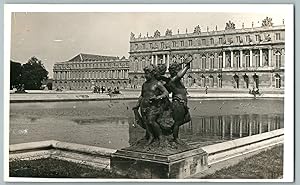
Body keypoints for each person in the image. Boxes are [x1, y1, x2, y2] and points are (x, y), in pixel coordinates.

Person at [133, 64, 169, 145]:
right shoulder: (144, 84)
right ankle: (151, 137)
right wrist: (137, 105)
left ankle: (160, 137)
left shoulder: (157, 84)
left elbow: (166, 93)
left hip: (153, 106)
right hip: (144, 106)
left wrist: (158, 97)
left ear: (152, 74)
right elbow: (142, 95)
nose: (145, 75)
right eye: (145, 73)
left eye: (147, 73)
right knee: (146, 122)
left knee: (151, 121)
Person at [167, 55, 192, 144]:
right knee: (178, 122)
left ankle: (170, 131)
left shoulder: (174, 80)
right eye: (177, 69)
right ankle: (176, 138)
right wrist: (187, 67)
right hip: (178, 103)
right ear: (174, 71)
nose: (179, 70)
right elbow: (179, 75)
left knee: (186, 119)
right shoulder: (173, 79)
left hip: (181, 103)